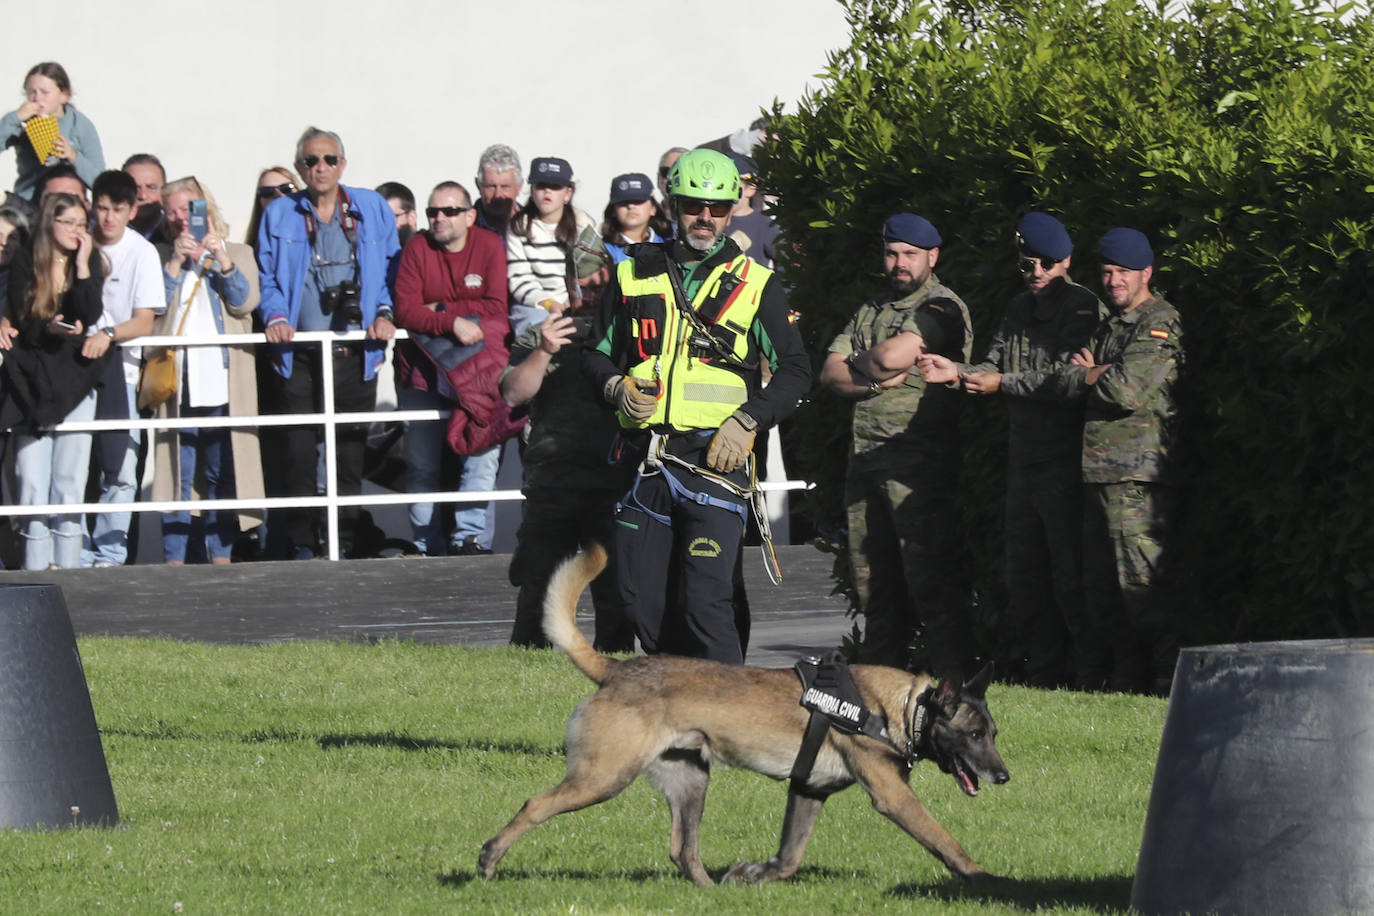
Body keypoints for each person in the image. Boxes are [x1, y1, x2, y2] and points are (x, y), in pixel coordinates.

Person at [584, 148, 811, 664]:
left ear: (732, 210)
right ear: (672, 203)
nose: (705, 218)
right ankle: (680, 721)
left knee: (707, 603)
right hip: (645, 462)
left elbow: (798, 372)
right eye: (693, 205)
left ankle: (731, 726)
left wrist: (748, 420)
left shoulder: (760, 285)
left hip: (717, 463)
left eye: (717, 208)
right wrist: (617, 387)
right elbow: (593, 357)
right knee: (643, 604)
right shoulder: (630, 275)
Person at [919, 212, 1104, 687]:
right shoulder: (1020, 308)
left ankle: (1093, 676)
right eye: (1027, 265)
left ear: (1066, 261)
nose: (1037, 274)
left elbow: (1068, 380)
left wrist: (1003, 384)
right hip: (1024, 463)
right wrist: (956, 372)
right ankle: (1044, 675)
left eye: (1046, 264)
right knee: (1024, 579)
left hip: (1065, 462)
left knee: (1071, 578)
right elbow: (993, 364)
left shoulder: (1082, 308)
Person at [818, 213, 975, 678]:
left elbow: (889, 356)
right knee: (875, 590)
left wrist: (864, 362)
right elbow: (830, 373)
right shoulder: (872, 309)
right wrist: (877, 384)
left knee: (933, 588)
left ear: (933, 256)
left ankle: (955, 689)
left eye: (910, 254)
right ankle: (878, 693)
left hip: (918, 474)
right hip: (866, 468)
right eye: (892, 253)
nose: (899, 263)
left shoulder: (943, 308)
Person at [255, 126, 400, 559]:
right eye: (312, 161)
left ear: (343, 164)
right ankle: (302, 544)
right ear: (300, 167)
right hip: (296, 353)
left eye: (329, 160)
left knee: (349, 452)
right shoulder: (279, 214)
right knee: (298, 452)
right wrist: (276, 316)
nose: (321, 168)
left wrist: (384, 312)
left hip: (356, 352)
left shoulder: (371, 208)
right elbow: (267, 278)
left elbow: (393, 268)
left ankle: (346, 542)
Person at [1067, 228, 1183, 694]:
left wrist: (1089, 372)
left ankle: (1165, 681)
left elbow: (1127, 389)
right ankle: (1126, 680)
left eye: (1124, 272)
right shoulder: (1110, 325)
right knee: (1103, 592)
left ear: (1146, 273)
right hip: (1100, 473)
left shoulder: (1160, 321)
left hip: (1137, 476)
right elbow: (1094, 383)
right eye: (1108, 271)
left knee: (1142, 586)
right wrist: (1096, 374)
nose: (1114, 280)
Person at [500, 276, 633, 652]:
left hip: (612, 479)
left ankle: (616, 663)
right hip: (552, 480)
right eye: (582, 286)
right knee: (538, 579)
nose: (589, 296)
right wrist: (543, 351)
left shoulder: (629, 331)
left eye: (598, 287)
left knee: (616, 585)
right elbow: (513, 393)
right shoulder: (542, 333)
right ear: (568, 289)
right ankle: (527, 657)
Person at [149, 176, 264, 565]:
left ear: (206, 208)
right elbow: (153, 311)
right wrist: (175, 265)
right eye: (173, 211)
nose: (182, 219)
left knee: (220, 473)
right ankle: (175, 562)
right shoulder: (160, 255)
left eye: (188, 209)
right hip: (176, 382)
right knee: (176, 476)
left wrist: (221, 260)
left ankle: (221, 558)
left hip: (222, 378)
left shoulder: (238, 252)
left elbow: (245, 304)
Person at [392, 181, 510, 556]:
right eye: (432, 212)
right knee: (422, 466)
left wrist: (436, 311)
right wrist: (451, 321)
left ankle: (470, 538)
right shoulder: (416, 248)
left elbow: (497, 308)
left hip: (478, 376)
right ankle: (426, 544)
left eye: (449, 211)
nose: (438, 218)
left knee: (480, 457)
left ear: (470, 215)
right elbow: (406, 311)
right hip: (422, 375)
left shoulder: (489, 246)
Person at [0, 193, 107, 569]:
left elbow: (90, 311)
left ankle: (70, 577)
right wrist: (47, 326)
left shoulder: (88, 259)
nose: (78, 231)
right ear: (51, 222)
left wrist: (81, 264)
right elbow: (21, 317)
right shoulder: (26, 258)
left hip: (75, 379)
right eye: (70, 223)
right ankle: (35, 576)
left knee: (70, 481)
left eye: (82, 223)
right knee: (30, 480)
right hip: (31, 381)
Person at [82, 170, 161, 568]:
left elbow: (144, 320)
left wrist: (108, 334)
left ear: (132, 211)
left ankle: (110, 553)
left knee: (121, 467)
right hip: (73, 371)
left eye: (117, 209)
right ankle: (72, 549)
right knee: (76, 464)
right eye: (101, 208)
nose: (108, 217)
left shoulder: (142, 252)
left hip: (124, 374)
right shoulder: (78, 243)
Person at [504, 156, 605, 336]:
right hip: (534, 306)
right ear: (532, 189)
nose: (547, 191)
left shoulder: (583, 224)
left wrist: (573, 303)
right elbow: (519, 278)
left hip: (576, 303)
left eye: (555, 186)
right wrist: (548, 303)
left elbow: (590, 272)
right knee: (536, 329)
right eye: (541, 185)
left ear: (568, 193)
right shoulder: (518, 226)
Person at [1, 63, 104, 203]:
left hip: (69, 204)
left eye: (44, 92)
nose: (37, 98)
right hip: (28, 202)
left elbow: (100, 182)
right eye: (32, 92)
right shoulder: (20, 123)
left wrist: (73, 156)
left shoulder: (79, 124)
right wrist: (14, 118)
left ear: (64, 95)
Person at [600, 172, 669, 264]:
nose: (631, 206)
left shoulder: (669, 246)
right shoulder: (602, 251)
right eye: (623, 202)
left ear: (653, 208)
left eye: (638, 201)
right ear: (613, 210)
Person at [725, 153, 780, 268]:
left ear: (751, 189)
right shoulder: (710, 218)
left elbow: (786, 265)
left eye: (731, 186)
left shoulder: (764, 225)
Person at [244, 166, 298, 254]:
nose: (279, 195)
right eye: (268, 192)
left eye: (286, 188)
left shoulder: (317, 235)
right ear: (260, 202)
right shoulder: (250, 253)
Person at [473, 144, 523, 235]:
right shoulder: (465, 229)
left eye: (505, 187)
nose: (498, 195)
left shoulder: (535, 225)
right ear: (478, 185)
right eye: (491, 186)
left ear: (519, 187)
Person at [122, 153, 166, 239]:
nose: (143, 196)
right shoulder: (103, 235)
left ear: (164, 191)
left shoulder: (176, 235)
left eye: (151, 187)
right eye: (135, 188)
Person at [377, 181, 418, 247]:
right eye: (377, 218)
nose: (382, 225)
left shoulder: (425, 252)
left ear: (411, 217)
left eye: (390, 217)